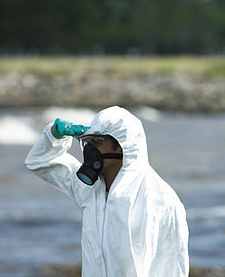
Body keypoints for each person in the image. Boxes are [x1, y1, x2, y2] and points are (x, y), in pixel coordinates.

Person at [25, 106, 189, 276]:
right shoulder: (89, 188)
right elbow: (38, 161)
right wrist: (54, 133)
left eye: (97, 142)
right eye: (87, 142)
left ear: (121, 145)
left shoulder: (159, 199)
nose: (89, 149)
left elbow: (172, 266)